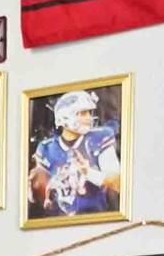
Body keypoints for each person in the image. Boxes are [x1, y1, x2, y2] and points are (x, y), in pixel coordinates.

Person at [27, 89, 122, 219]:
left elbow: (119, 184)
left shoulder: (99, 138)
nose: (88, 117)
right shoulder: (46, 148)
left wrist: (88, 172)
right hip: (58, 221)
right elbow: (38, 193)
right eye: (82, 113)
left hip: (95, 218)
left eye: (89, 112)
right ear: (64, 116)